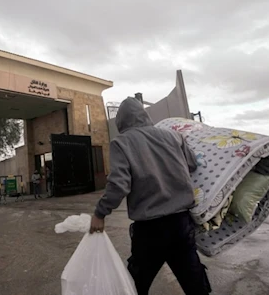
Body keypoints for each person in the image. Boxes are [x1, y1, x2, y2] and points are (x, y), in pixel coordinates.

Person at [90, 97, 211, 295]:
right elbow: (192, 164)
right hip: (181, 224)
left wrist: (100, 213)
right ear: (145, 115)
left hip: (149, 230)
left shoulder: (121, 142)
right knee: (195, 283)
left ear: (121, 121)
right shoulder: (174, 137)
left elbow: (119, 185)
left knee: (134, 284)